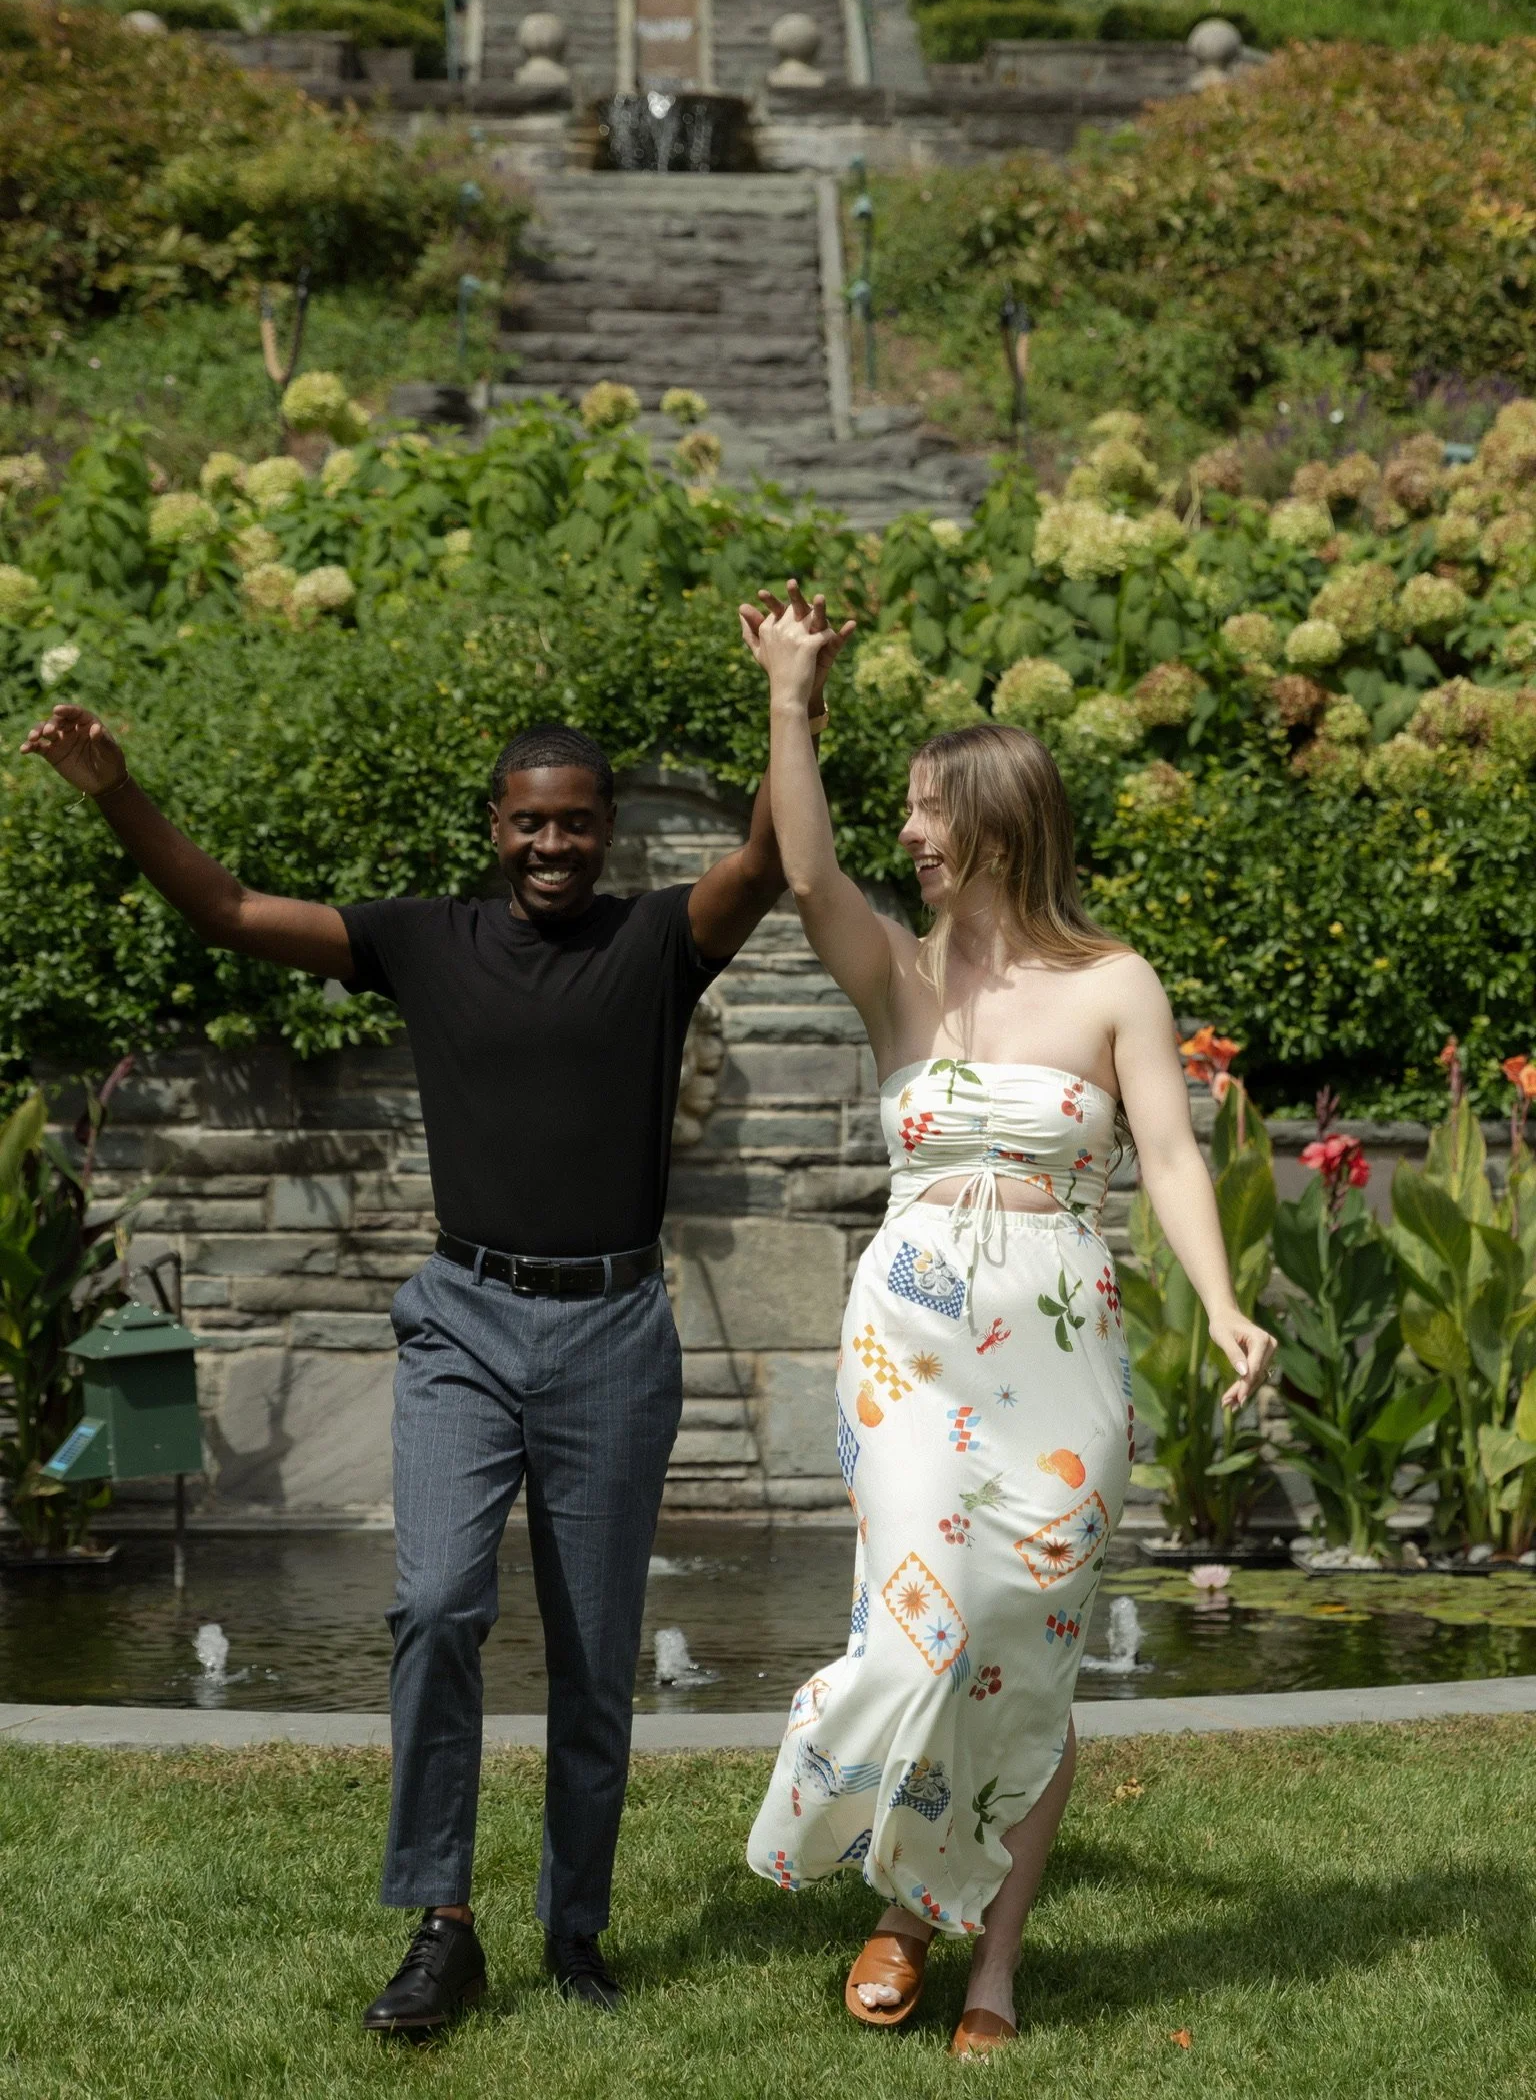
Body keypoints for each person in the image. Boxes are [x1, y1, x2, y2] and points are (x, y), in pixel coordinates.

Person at [21, 611, 850, 2036]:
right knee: (434, 1605)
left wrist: (794, 695)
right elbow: (228, 913)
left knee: (597, 1651)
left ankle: (576, 1930)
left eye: (578, 825)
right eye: (531, 825)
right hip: (464, 1321)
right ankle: (442, 1921)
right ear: (494, 827)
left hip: (611, 1334)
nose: (553, 848)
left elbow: (775, 859)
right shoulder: (423, 942)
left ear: (607, 835)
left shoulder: (659, 945)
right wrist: (117, 797)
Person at [738, 585, 1275, 2062]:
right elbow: (803, 872)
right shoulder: (901, 981)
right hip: (906, 1337)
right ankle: (897, 1892)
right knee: (924, 1623)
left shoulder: (1116, 984)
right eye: (905, 811)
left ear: (999, 823)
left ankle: (987, 1968)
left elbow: (1168, 1155)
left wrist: (1222, 1303)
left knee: (1024, 1648)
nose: (908, 836)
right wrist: (793, 694)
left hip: (1058, 1348)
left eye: (929, 813)